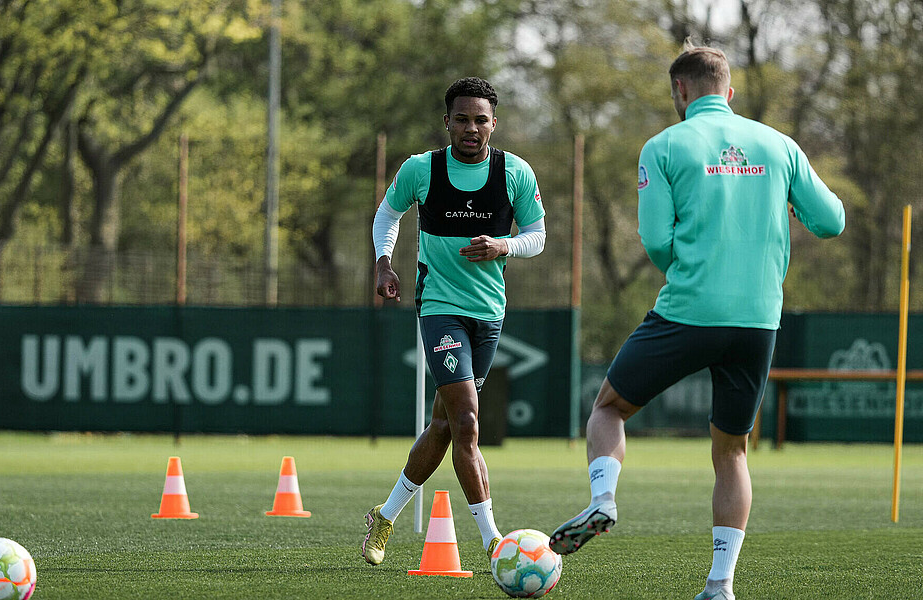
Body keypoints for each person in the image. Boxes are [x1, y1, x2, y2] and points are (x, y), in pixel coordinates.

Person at [549, 41, 845, 600]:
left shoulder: (663, 146)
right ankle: (720, 584)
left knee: (609, 407)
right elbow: (831, 221)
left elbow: (658, 240)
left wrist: (686, 272)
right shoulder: (778, 144)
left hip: (688, 310)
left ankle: (603, 500)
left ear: (679, 92)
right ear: (729, 93)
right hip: (759, 318)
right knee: (731, 450)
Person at [362, 76, 547, 565]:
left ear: (494, 124)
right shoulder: (421, 170)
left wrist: (503, 244)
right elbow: (387, 215)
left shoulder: (515, 173)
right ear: (446, 122)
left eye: (481, 119)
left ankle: (384, 516)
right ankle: (494, 542)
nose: (471, 128)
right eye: (461, 119)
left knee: (443, 427)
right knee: (467, 421)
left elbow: (537, 236)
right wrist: (384, 261)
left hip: (488, 313)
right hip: (439, 307)